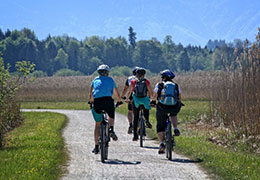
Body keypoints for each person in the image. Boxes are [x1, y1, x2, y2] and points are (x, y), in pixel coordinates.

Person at [89, 64, 122, 154]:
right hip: (108, 101)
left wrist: (90, 102)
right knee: (111, 115)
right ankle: (111, 129)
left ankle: (96, 146)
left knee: (97, 125)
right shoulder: (111, 80)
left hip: (97, 102)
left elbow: (91, 94)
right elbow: (116, 93)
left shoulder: (95, 80)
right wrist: (119, 101)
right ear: (107, 72)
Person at [150, 69, 182, 154]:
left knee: (160, 125)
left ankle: (161, 143)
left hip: (162, 107)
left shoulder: (159, 85)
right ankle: (175, 128)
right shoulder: (175, 85)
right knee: (173, 114)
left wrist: (153, 102)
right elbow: (179, 96)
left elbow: (155, 95)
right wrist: (179, 103)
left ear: (163, 77)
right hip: (173, 106)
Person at [126, 67, 153, 141]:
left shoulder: (133, 81)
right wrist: (151, 99)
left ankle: (135, 136)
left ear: (136, 74)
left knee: (136, 118)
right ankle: (146, 120)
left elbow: (130, 92)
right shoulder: (146, 81)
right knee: (146, 109)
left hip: (136, 100)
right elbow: (150, 91)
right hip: (144, 99)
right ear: (144, 74)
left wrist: (127, 98)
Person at [120, 67, 139, 134]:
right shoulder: (143, 78)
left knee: (130, 111)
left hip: (131, 95)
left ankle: (131, 124)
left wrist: (122, 96)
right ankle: (140, 127)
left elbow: (125, 88)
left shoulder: (130, 78)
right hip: (141, 96)